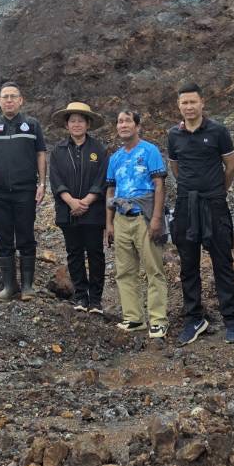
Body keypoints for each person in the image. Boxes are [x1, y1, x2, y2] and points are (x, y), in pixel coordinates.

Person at [166, 83, 234, 346]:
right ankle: (194, 318)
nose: (188, 107)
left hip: (214, 203)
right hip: (187, 204)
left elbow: (230, 166)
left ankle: (231, 319)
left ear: (202, 103)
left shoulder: (218, 131)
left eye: (192, 102)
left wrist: (218, 191)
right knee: (188, 264)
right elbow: (175, 168)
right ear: (179, 106)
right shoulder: (173, 135)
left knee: (222, 261)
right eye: (184, 103)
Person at [0, 82, 48, 301]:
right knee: (3, 238)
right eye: (5, 97)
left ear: (20, 100)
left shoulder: (32, 125)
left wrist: (42, 183)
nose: (8, 100)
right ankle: (9, 286)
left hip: (25, 190)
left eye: (12, 96)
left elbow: (41, 154)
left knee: (26, 236)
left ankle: (27, 286)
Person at [104, 109, 168, 340]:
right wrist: (109, 223)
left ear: (137, 126)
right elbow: (110, 190)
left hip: (144, 215)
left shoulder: (150, 151)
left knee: (153, 269)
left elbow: (159, 185)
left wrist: (157, 219)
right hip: (121, 217)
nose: (123, 125)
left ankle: (158, 319)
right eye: (119, 121)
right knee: (125, 270)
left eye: (127, 121)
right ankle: (134, 318)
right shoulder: (115, 158)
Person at [47, 102, 109, 314]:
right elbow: (55, 179)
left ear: (88, 124)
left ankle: (96, 300)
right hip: (68, 211)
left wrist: (87, 201)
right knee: (74, 253)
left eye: (80, 121)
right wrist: (71, 201)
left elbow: (102, 179)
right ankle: (81, 296)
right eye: (72, 121)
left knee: (95, 252)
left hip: (93, 212)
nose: (76, 125)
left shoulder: (99, 149)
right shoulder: (57, 151)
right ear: (67, 125)